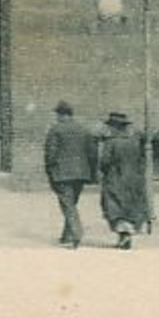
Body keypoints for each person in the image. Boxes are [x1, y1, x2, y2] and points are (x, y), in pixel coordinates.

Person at [43, 100, 97, 248]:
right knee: (71, 203)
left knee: (67, 205)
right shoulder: (84, 129)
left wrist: (49, 169)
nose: (57, 117)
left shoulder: (56, 130)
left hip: (62, 173)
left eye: (57, 114)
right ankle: (66, 236)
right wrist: (92, 172)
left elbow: (50, 153)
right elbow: (92, 153)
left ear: (61, 115)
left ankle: (76, 233)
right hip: (81, 173)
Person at [98, 110, 151, 249]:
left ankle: (123, 235)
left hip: (115, 178)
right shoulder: (135, 140)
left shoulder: (111, 142)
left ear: (114, 126)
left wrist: (104, 171)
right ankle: (127, 234)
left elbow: (104, 161)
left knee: (115, 207)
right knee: (131, 206)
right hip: (134, 179)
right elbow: (143, 159)